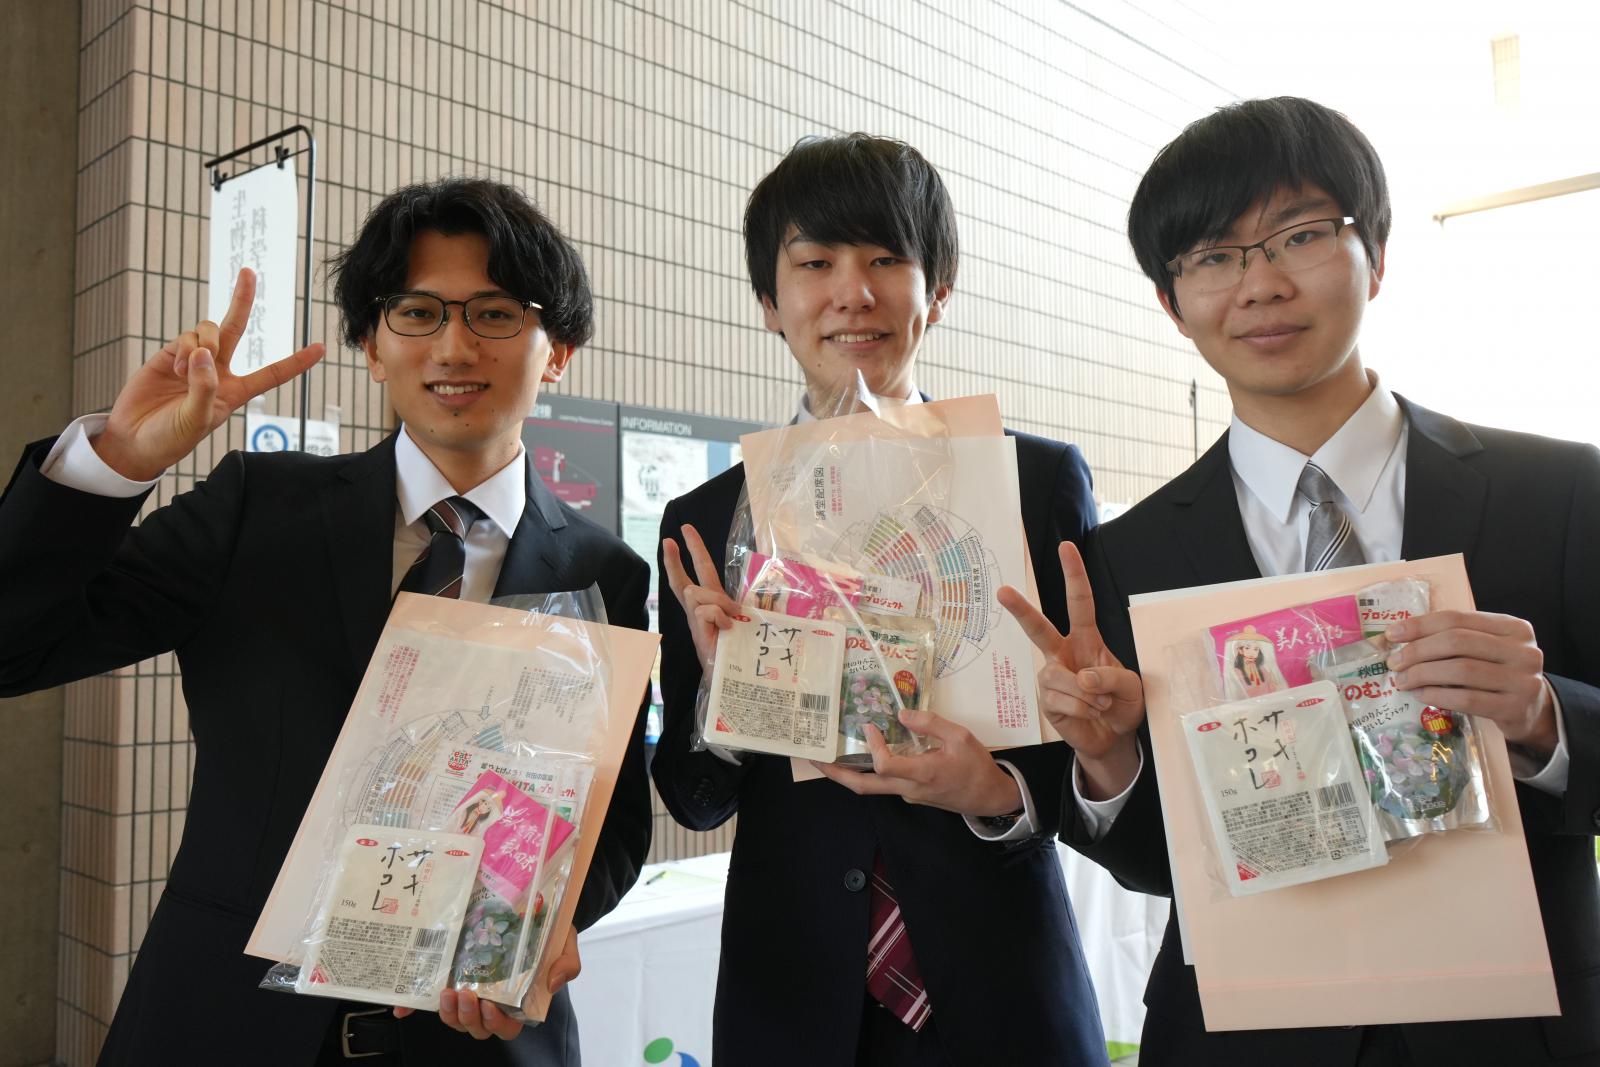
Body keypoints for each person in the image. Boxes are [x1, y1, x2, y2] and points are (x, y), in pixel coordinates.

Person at [0, 178, 653, 1066]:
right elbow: (15, 647)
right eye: (417, 312)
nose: (454, 346)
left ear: (558, 351)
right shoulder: (257, 507)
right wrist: (114, 461)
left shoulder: (605, 571)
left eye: (496, 314)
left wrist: (533, 928)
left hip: (475, 1038)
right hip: (227, 1025)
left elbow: (611, 829)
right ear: (372, 345)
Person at [1005, 97, 1600, 1065]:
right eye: (1214, 255)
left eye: (1300, 235)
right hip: (1240, 1039)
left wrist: (1542, 717)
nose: (1262, 284)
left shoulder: (1561, 492)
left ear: (1377, 253)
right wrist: (1111, 762)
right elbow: (1156, 861)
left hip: (1515, 1035)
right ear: (1172, 302)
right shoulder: (1131, 554)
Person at [651, 133, 1109, 1065]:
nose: (852, 292)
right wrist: (722, 701)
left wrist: (997, 793)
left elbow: (1098, 766)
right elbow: (693, 799)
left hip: (1003, 991)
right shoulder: (709, 519)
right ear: (771, 301)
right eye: (815, 263)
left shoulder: (1032, 481)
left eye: (886, 259)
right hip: (792, 1005)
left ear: (938, 289)